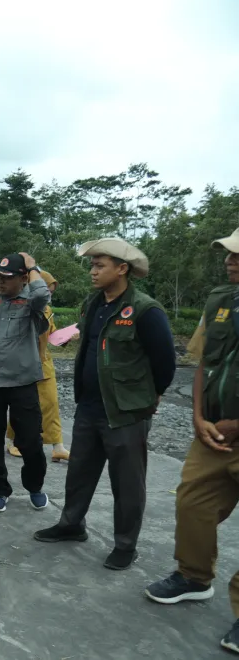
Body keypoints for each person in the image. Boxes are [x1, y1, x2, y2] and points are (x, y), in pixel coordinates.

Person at [34, 238, 175, 570]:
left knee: (126, 482)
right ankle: (71, 524)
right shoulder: (92, 304)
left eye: (100, 265)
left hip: (125, 412)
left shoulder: (145, 310)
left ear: (122, 269)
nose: (93, 272)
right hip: (89, 406)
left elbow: (165, 362)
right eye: (93, 265)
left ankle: (125, 545)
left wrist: (148, 398)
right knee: (80, 472)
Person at [145, 228, 239, 653]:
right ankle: (194, 576)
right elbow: (203, 362)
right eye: (227, 254)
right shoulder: (220, 300)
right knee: (193, 503)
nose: (229, 261)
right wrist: (200, 416)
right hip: (214, 431)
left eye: (237, 255)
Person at [0, 253, 51, 513]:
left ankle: (35, 486)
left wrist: (33, 266)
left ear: (23, 278)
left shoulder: (31, 301)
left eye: (8, 278)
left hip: (22, 382)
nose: (1, 281)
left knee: (30, 440)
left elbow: (43, 294)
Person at [5, 270, 70, 462]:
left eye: (51, 292)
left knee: (51, 403)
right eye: (46, 290)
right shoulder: (21, 306)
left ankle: (58, 446)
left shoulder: (48, 310)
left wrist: (67, 337)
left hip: (44, 363)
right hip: (23, 364)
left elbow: (53, 334)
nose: (48, 295)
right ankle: (14, 441)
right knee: (20, 404)